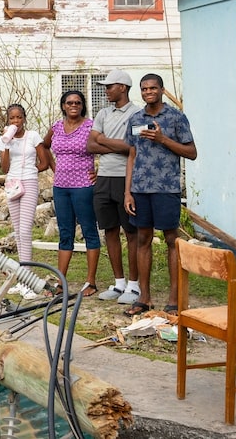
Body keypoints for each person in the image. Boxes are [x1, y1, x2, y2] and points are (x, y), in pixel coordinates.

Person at [123, 74, 197, 316]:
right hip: (140, 189)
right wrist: (128, 192)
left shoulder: (176, 117)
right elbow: (131, 156)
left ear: (162, 90)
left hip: (167, 189)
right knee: (142, 240)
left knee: (171, 241)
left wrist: (163, 139)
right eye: (144, 89)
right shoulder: (135, 118)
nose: (148, 92)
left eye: (153, 88)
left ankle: (174, 300)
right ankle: (144, 298)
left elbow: (192, 152)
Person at [86, 70, 141, 304]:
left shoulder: (138, 113)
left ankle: (134, 285)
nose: (106, 90)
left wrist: (104, 141)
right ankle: (119, 283)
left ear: (123, 87)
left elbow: (134, 147)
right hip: (104, 178)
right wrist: (118, 145)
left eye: (110, 86)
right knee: (109, 230)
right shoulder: (103, 113)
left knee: (131, 232)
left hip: (126, 178)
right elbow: (90, 144)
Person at [43, 90, 99, 297]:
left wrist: (99, 173)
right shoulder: (56, 127)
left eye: (77, 102)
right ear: (63, 106)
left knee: (88, 231)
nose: (73, 105)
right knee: (65, 233)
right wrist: (52, 166)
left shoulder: (91, 126)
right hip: (61, 187)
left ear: (82, 105)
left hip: (84, 186)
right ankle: (60, 283)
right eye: (69, 102)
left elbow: (107, 148)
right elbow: (44, 145)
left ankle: (91, 282)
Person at [0, 103, 49, 299]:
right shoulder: (5, 140)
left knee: (26, 230)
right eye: (12, 118)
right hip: (12, 183)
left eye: (19, 118)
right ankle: (21, 280)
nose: (16, 122)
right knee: (18, 232)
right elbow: (4, 168)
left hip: (28, 181)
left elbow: (44, 162)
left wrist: (29, 172)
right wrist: (7, 144)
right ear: (8, 120)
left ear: (24, 119)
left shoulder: (33, 136)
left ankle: (27, 280)